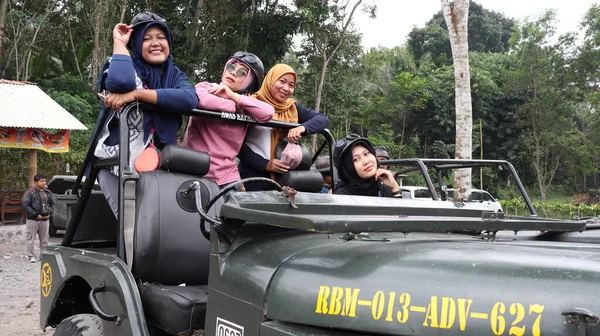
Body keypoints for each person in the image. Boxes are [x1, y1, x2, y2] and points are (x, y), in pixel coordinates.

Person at [92, 12, 199, 217]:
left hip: (160, 162)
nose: (155, 43)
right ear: (136, 43)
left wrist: (136, 95)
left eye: (161, 37)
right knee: (134, 226)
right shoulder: (120, 62)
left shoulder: (175, 74)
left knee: (162, 223)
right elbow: (121, 82)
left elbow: (189, 99)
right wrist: (120, 44)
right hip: (116, 162)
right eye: (147, 38)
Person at [183, 52, 274, 188]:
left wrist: (234, 97)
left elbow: (268, 112)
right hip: (193, 169)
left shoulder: (246, 103)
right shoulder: (206, 87)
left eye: (242, 72)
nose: (233, 73)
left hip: (226, 176)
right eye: (231, 67)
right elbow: (202, 100)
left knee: (231, 208)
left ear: (250, 81)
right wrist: (233, 106)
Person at [238, 64, 330, 190]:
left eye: (291, 85)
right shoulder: (250, 103)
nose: (286, 88)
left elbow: (323, 119)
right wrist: (265, 164)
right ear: (271, 79)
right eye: (282, 81)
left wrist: (302, 128)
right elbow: (237, 144)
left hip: (285, 176)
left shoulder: (292, 108)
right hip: (253, 174)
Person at [333, 134, 402, 197]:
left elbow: (399, 210)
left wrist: (395, 187)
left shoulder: (383, 188)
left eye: (366, 154)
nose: (366, 161)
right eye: (356, 159)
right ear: (348, 168)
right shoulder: (342, 196)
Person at [22, 174, 55, 263]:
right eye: (41, 181)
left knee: (44, 239)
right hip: (33, 220)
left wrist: (50, 213)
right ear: (36, 182)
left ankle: (43, 255)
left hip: (45, 220)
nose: (44, 183)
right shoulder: (30, 193)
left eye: (44, 180)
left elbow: (53, 203)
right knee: (30, 238)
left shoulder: (48, 193)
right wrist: (35, 214)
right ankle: (31, 256)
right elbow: (25, 205)